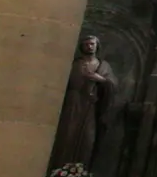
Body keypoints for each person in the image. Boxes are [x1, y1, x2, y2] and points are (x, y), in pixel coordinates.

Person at [50, 34, 116, 170]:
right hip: (72, 105)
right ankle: (60, 170)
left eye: (92, 44)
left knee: (87, 139)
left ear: (97, 46)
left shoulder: (103, 66)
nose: (89, 46)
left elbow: (112, 85)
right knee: (67, 136)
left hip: (90, 106)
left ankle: (80, 171)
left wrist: (100, 79)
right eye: (86, 44)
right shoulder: (74, 64)